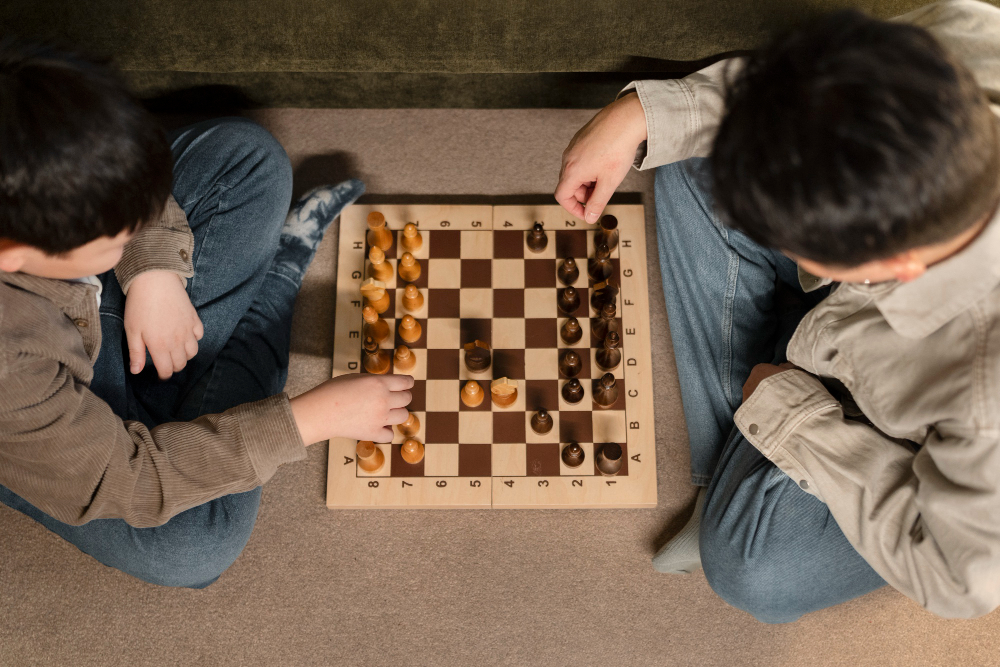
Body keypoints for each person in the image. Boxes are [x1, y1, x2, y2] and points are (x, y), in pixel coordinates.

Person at [556, 0, 1000, 622]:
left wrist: (795, 420)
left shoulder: (986, 411)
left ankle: (739, 463)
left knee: (750, 569)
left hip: (919, 442)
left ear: (895, 263)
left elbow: (959, 579)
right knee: (694, 148)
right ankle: (735, 468)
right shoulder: (971, 35)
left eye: (801, 245)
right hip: (859, 319)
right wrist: (644, 113)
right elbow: (793, 89)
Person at [0, 40, 413, 588]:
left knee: (246, 156)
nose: (138, 228)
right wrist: (308, 421)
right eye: (120, 236)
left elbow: (135, 185)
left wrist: (151, 269)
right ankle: (278, 283)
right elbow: (125, 480)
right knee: (193, 546)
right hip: (45, 430)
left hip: (74, 309)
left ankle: (173, 412)